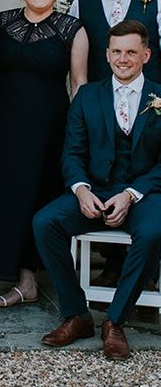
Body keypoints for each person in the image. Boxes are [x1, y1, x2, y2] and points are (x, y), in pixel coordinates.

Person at [33, 20, 161, 360]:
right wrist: (80, 189)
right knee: (45, 223)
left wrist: (132, 194)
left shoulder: (160, 97)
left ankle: (115, 321)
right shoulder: (88, 95)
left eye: (131, 52)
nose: (123, 59)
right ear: (106, 55)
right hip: (96, 190)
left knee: (153, 232)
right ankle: (76, 314)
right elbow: (72, 152)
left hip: (144, 194)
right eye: (116, 52)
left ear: (145, 55)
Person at [0, 0, 88, 307]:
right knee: (9, 194)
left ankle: (29, 278)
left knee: (40, 193)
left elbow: (78, 82)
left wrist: (77, 129)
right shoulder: (1, 23)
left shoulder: (72, 27)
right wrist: (4, 91)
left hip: (52, 123)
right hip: (9, 121)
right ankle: (6, 270)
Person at [69, 0, 161, 286]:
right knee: (105, 176)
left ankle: (144, 269)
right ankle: (113, 264)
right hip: (101, 112)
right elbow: (78, 62)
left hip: (148, 109)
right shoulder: (83, 3)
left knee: (143, 180)